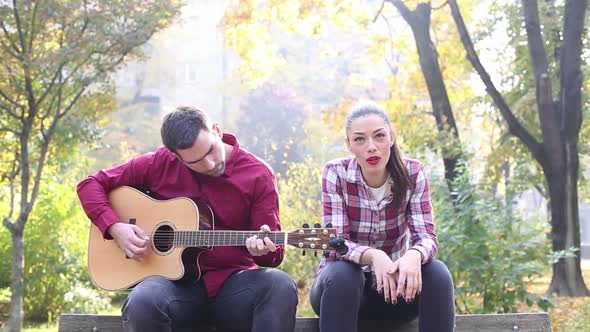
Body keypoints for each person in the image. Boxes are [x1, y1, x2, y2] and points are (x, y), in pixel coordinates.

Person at [77, 105, 298, 332]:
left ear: (217, 131)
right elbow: (90, 185)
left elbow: (274, 256)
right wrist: (115, 227)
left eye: (211, 150)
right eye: (195, 162)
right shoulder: (160, 163)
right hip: (176, 290)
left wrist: (263, 249)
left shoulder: (258, 174)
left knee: (278, 284)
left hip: (234, 289)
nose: (209, 164)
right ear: (176, 156)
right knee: (143, 300)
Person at [310, 102, 455, 332]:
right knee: (344, 273)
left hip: (396, 293)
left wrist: (414, 255)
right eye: (360, 139)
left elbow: (427, 237)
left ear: (391, 138)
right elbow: (335, 244)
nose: (371, 147)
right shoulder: (335, 173)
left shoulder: (413, 173)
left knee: (437, 273)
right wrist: (374, 256)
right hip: (341, 294)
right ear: (349, 145)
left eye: (379, 136)